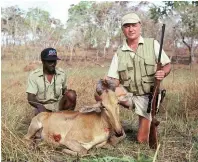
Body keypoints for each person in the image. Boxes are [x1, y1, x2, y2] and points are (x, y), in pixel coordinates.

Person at [95, 13, 171, 143]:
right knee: (101, 95)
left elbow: (167, 65)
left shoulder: (152, 44)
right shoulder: (119, 52)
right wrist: (107, 82)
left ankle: (150, 122)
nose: (131, 29)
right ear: (123, 29)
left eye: (134, 25)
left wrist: (163, 72)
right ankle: (114, 128)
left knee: (142, 140)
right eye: (127, 26)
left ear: (139, 26)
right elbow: (115, 80)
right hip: (128, 93)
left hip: (147, 97)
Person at [26, 47, 77, 115]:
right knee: (40, 115)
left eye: (54, 61)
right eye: (49, 61)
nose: (53, 64)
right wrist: (40, 106)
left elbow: (64, 91)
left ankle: (67, 118)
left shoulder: (61, 73)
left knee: (71, 94)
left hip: (59, 105)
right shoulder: (34, 76)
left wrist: (70, 95)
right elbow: (30, 98)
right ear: (43, 61)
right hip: (43, 106)